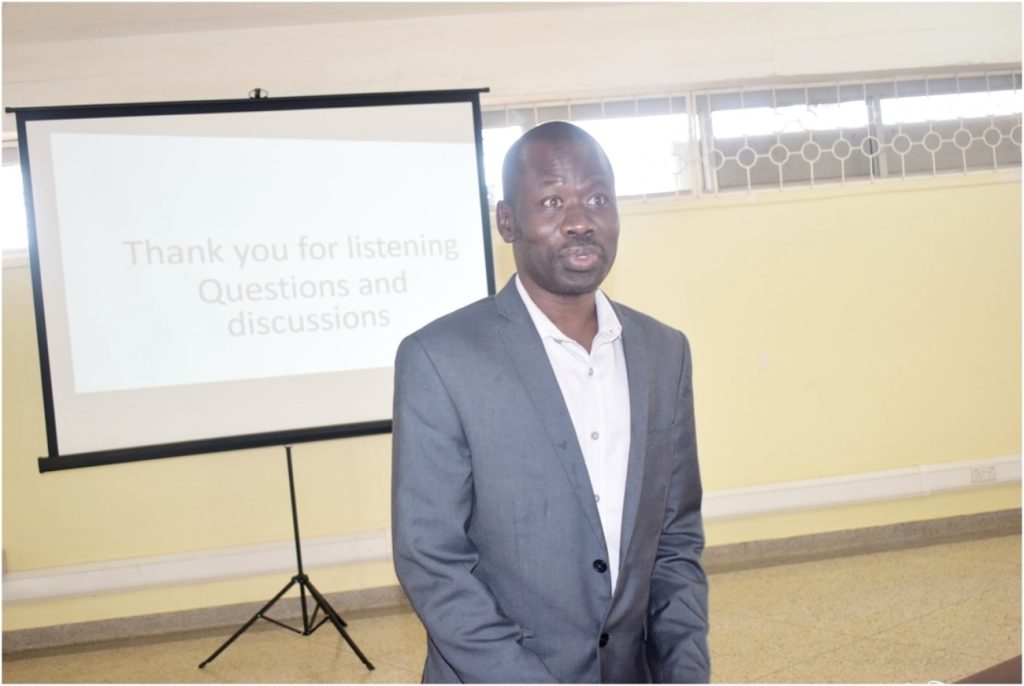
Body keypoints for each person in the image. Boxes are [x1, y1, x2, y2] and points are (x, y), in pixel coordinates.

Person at [391, 121, 709, 683]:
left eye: (597, 198)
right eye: (553, 200)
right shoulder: (440, 359)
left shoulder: (665, 352)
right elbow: (433, 561)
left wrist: (687, 674)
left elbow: (675, 543)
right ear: (508, 221)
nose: (581, 220)